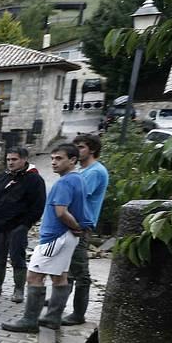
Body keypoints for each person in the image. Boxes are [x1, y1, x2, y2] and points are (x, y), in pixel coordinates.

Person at [2, 143, 90, 333]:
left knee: (34, 276)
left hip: (55, 237)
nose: (53, 162)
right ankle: (52, 318)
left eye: (59, 158)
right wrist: (77, 228)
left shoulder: (64, 182)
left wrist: (76, 227)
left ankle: (29, 321)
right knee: (60, 277)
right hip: (66, 237)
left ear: (73, 160)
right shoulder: (78, 178)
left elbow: (61, 212)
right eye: (52, 158)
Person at [0, 146, 46, 303]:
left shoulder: (34, 180)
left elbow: (38, 206)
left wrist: (25, 224)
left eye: (14, 159)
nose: (10, 162)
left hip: (17, 226)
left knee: (17, 257)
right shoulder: (3, 176)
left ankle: (18, 290)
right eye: (8, 159)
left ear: (24, 159)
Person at [60, 132, 109, 325]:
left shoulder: (94, 172)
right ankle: (60, 301)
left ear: (93, 149)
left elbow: (76, 197)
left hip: (80, 226)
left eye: (81, 147)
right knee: (67, 267)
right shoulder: (82, 170)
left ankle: (78, 313)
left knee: (80, 271)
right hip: (72, 224)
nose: (77, 150)